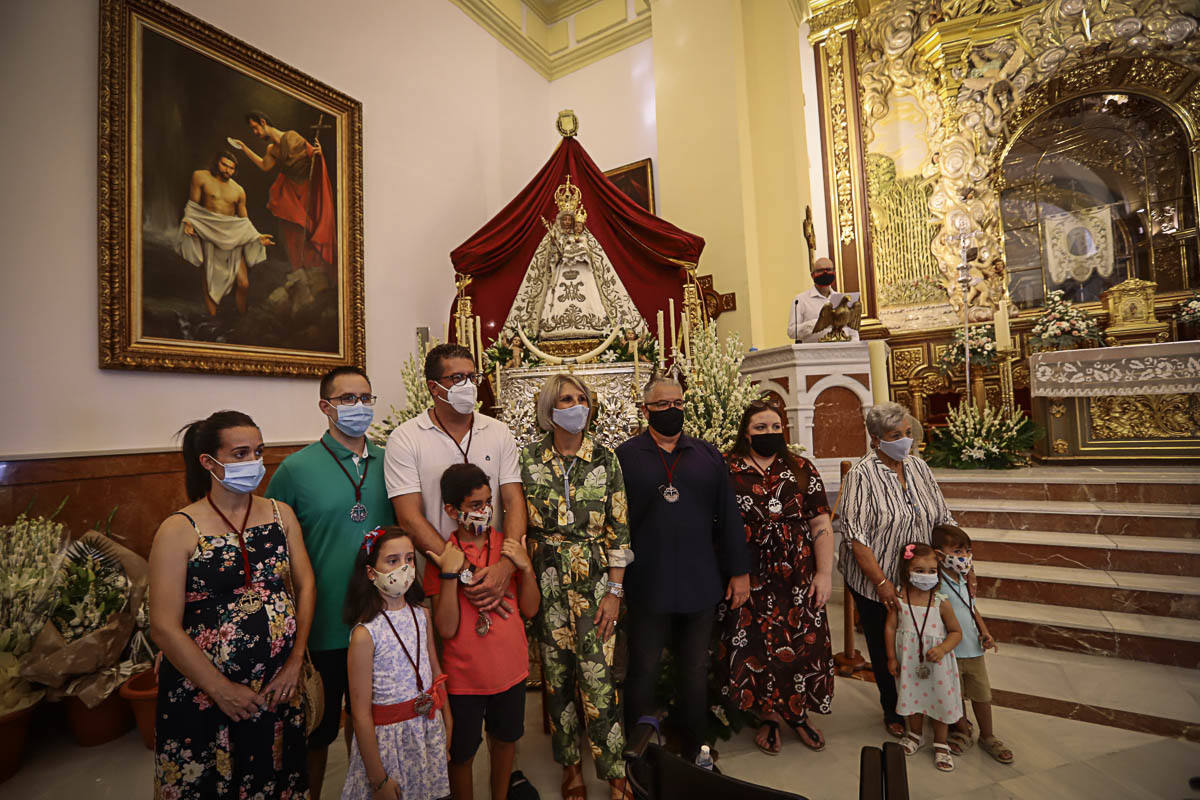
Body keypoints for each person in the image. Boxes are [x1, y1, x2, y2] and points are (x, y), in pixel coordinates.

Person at [148, 410, 315, 798]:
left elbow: (305, 586)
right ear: (209, 462)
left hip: (278, 687)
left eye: (258, 452)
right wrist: (219, 688)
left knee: (276, 779)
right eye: (240, 454)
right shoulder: (179, 529)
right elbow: (163, 625)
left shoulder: (279, 515)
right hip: (204, 693)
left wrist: (295, 662)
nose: (254, 463)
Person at [265, 365, 395, 798]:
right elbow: (275, 547)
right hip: (321, 625)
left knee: (370, 723)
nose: (360, 407)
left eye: (366, 398)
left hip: (377, 620)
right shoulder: (295, 469)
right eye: (347, 399)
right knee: (316, 732)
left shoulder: (389, 460)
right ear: (325, 407)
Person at [616, 376, 750, 762]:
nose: (672, 410)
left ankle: (695, 750)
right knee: (643, 668)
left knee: (694, 669)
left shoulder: (707, 455)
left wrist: (738, 571)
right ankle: (638, 752)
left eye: (678, 403)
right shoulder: (625, 456)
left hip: (699, 580)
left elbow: (728, 515)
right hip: (647, 581)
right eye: (662, 405)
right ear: (646, 411)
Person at [519, 374, 631, 800]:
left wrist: (614, 593)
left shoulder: (606, 459)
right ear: (550, 409)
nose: (575, 405)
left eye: (581, 398)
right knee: (558, 677)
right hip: (544, 579)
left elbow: (620, 532)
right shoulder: (527, 459)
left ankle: (614, 768)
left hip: (595, 582)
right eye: (566, 399)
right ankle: (571, 769)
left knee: (598, 677)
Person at [716, 399, 835, 756]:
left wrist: (825, 574)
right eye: (760, 428)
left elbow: (820, 523)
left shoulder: (800, 467)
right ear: (745, 432)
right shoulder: (726, 467)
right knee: (756, 643)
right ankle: (767, 714)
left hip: (798, 574)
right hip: (748, 573)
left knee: (801, 641)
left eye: (774, 427)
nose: (769, 433)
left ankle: (797, 713)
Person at [835, 401, 959, 738]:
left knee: (923, 640)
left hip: (921, 576)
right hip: (877, 577)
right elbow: (856, 539)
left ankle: (931, 702)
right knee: (884, 644)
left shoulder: (919, 466)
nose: (905, 441)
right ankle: (893, 707)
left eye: (907, 433)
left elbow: (942, 514)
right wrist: (883, 582)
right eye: (895, 435)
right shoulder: (862, 475)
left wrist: (955, 556)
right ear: (876, 439)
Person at [423, 464, 540, 800]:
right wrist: (448, 575)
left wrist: (525, 567)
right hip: (464, 680)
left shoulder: (506, 547)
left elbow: (530, 609)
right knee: (462, 754)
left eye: (488, 502)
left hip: (511, 671)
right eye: (475, 505)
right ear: (451, 510)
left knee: (505, 742)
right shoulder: (444, 556)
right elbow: (446, 628)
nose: (485, 510)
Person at [385, 343, 526, 619]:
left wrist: (506, 565)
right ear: (434, 388)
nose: (469, 385)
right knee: (446, 653)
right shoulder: (406, 438)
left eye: (472, 377)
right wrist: (464, 570)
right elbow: (409, 518)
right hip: (438, 572)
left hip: (494, 568)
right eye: (457, 378)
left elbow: (514, 501)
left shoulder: (498, 432)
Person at [341, 527, 450, 800]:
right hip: (389, 745)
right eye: (392, 561)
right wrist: (379, 780)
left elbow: (435, 672)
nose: (404, 568)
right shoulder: (366, 634)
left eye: (409, 559)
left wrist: (447, 723)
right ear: (370, 572)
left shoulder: (422, 615)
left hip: (425, 730)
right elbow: (361, 714)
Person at [932, 525, 1014, 765]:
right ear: (940, 555)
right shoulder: (936, 582)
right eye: (957, 551)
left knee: (981, 694)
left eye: (967, 550)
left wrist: (985, 632)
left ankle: (988, 736)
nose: (964, 557)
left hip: (974, 650)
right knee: (954, 695)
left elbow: (972, 608)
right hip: (949, 651)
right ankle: (962, 731)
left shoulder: (965, 580)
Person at [885, 542, 963, 773]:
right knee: (913, 698)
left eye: (931, 571)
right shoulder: (899, 599)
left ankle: (941, 743)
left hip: (937, 665)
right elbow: (890, 628)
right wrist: (891, 657)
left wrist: (943, 648)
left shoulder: (941, 602)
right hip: (909, 662)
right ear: (906, 570)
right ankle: (914, 734)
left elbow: (956, 632)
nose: (926, 576)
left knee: (939, 700)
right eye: (919, 570)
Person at [230, 110, 336, 275]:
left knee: (309, 230)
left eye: (255, 127)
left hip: (306, 191)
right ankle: (301, 270)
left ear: (263, 122)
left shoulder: (291, 136)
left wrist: (319, 154)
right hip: (291, 195)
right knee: (293, 233)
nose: (255, 133)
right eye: (252, 130)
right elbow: (264, 166)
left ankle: (315, 271)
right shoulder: (272, 149)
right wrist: (244, 148)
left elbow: (311, 155)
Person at [175, 150, 275, 316]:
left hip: (232, 235)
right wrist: (189, 222)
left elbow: (244, 221)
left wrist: (257, 237)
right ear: (216, 163)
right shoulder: (200, 177)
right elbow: (193, 205)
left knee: (243, 283)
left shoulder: (238, 191)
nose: (227, 170)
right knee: (209, 276)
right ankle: (213, 319)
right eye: (224, 165)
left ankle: (242, 317)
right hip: (209, 231)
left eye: (231, 168)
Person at [786, 256, 860, 343]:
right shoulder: (800, 300)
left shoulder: (843, 298)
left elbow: (853, 333)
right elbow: (791, 332)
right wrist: (816, 323)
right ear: (812, 275)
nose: (825, 273)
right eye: (820, 270)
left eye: (828, 270)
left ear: (834, 272)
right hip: (813, 353)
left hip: (841, 352)